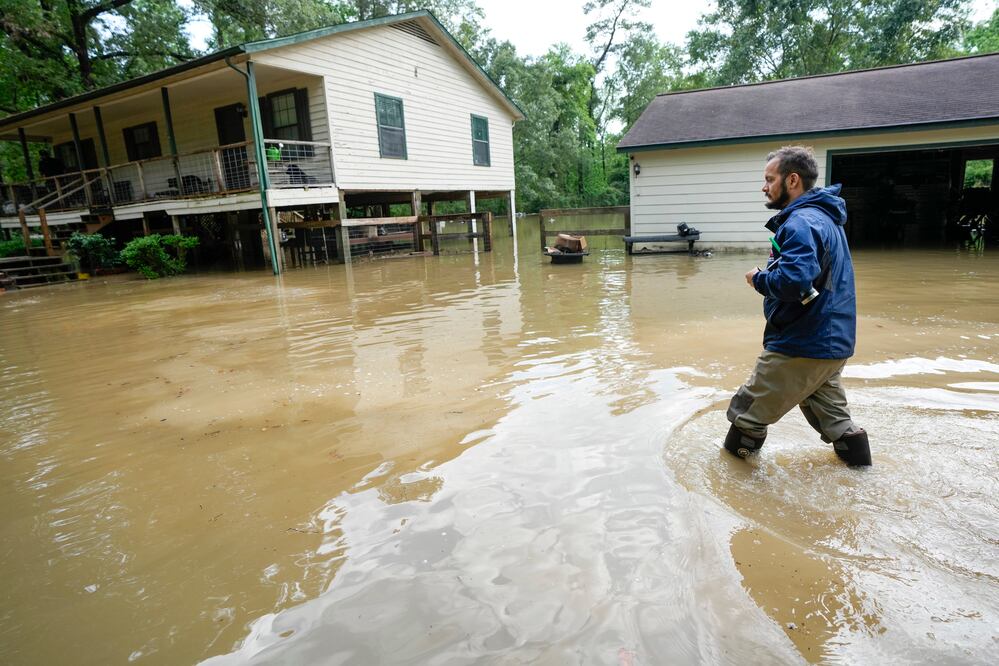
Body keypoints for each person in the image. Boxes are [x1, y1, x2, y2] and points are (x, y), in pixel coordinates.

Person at [724, 145, 871, 466]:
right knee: (837, 424)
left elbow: (794, 280)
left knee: (746, 416)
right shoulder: (825, 219)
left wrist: (759, 278)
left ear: (792, 181)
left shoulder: (800, 223)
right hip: (834, 344)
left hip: (801, 345)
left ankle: (728, 491)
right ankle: (864, 483)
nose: (764, 186)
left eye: (769, 179)